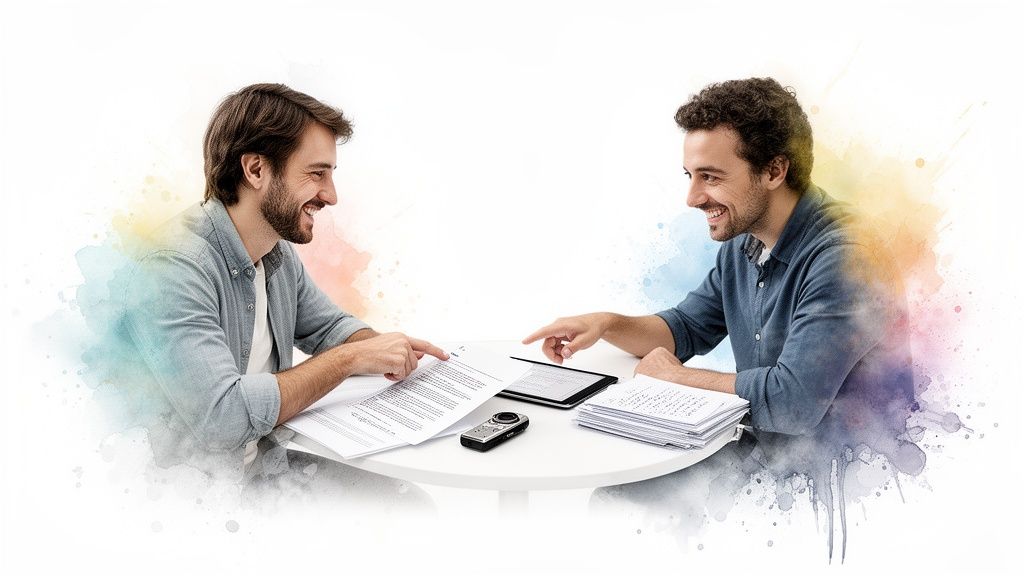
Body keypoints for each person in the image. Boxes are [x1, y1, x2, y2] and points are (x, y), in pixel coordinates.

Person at [523, 77, 914, 448]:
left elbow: (792, 402)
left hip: (838, 477)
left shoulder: (848, 257)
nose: (692, 198)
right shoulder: (745, 238)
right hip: (764, 451)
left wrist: (675, 378)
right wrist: (606, 323)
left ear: (775, 171)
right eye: (690, 175)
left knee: (621, 500)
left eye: (709, 177)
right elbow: (686, 328)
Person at [123, 83, 448, 479]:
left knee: (407, 504)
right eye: (316, 174)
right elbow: (222, 418)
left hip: (266, 472)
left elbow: (328, 327)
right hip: (195, 500)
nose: (330, 196)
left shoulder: (275, 254)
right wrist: (349, 360)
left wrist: (385, 349)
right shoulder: (173, 269)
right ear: (256, 169)